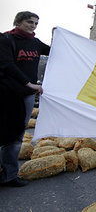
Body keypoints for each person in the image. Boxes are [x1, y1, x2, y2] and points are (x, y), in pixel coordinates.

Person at [0, 11, 50, 187]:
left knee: (17, 135)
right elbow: (7, 65)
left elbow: (55, 52)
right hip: (8, 93)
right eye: (30, 22)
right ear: (18, 22)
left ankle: (9, 175)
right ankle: (6, 173)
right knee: (6, 133)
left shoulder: (35, 43)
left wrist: (58, 35)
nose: (33, 26)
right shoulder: (6, 39)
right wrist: (29, 84)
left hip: (27, 96)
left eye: (36, 23)